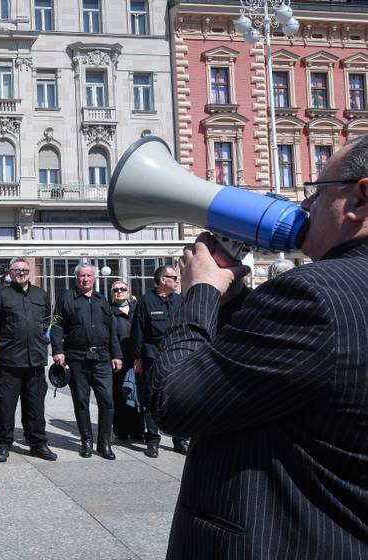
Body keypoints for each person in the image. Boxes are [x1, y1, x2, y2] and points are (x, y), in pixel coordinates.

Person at [150, 135, 368, 557]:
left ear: (360, 197)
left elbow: (174, 400)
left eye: (317, 192)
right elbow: (289, 368)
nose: (305, 206)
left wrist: (201, 293)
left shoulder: (312, 295)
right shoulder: (327, 299)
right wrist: (234, 301)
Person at [0, 257, 56, 463]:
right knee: (6, 406)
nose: (21, 273)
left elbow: (48, 323)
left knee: (35, 407)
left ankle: (38, 444)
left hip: (35, 363)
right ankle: (4, 444)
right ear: (10, 273)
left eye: (24, 269)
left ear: (29, 272)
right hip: (9, 363)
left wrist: (42, 343)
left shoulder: (41, 294)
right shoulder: (1, 297)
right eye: (17, 270)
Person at [51, 263, 123, 460]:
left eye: (89, 276)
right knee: (81, 402)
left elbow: (112, 330)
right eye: (81, 276)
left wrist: (116, 355)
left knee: (107, 402)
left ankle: (104, 443)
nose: (85, 279)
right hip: (76, 359)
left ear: (94, 278)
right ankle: (86, 442)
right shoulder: (65, 298)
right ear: (76, 278)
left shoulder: (102, 300)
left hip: (101, 359)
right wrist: (57, 351)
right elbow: (56, 325)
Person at [130, 265, 187, 458]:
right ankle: (152, 441)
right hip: (152, 356)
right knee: (152, 399)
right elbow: (137, 331)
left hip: (177, 356)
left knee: (178, 398)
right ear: (163, 280)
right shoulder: (146, 301)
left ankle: (179, 439)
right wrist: (137, 358)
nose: (177, 280)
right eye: (174, 277)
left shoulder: (179, 300)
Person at [109, 280, 143, 442]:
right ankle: (121, 431)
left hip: (137, 358)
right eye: (115, 289)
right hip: (118, 359)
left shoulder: (137, 309)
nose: (119, 292)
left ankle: (137, 431)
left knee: (138, 394)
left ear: (128, 291)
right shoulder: (109, 311)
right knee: (120, 395)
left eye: (123, 289)